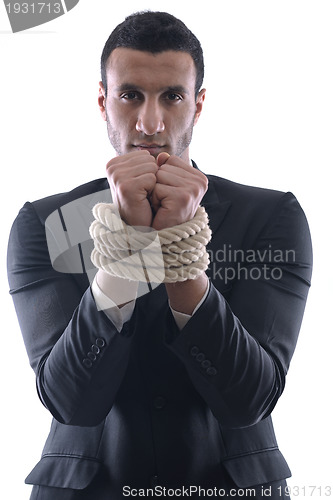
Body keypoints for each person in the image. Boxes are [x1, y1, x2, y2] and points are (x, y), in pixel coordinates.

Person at [7, 11, 312, 500]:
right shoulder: (46, 225)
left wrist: (178, 250)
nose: (150, 124)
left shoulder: (272, 216)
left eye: (172, 96)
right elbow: (70, 402)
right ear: (104, 102)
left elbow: (249, 401)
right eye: (130, 96)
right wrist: (126, 247)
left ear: (198, 105)